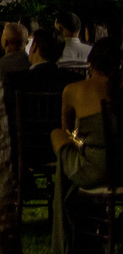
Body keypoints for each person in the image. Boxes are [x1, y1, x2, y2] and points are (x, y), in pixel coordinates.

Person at [50, 38, 120, 253]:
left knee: (57, 136)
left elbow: (68, 131)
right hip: (120, 170)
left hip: (95, 171)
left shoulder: (74, 90)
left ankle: (64, 233)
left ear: (92, 62)